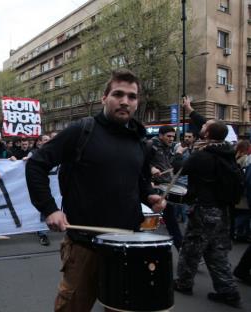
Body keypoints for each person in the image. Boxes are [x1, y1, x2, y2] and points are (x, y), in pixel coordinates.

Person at [26, 69, 165, 312]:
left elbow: (139, 180)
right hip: (84, 246)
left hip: (127, 245)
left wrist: (149, 195)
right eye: (118, 94)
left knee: (122, 308)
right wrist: (49, 209)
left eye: (132, 96)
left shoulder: (140, 140)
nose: (125, 101)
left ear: (137, 102)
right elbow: (37, 164)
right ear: (104, 98)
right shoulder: (82, 130)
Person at [172, 97, 242, 308]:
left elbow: (179, 169)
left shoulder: (202, 156)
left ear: (207, 134)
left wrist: (178, 154)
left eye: (204, 126)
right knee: (216, 252)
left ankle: (183, 283)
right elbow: (214, 127)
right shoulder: (227, 150)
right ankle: (228, 291)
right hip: (222, 211)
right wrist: (190, 110)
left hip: (204, 210)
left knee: (191, 248)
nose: (201, 126)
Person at [149, 125, 183, 251]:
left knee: (171, 220)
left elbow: (170, 165)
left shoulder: (169, 148)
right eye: (168, 136)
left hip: (164, 188)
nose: (171, 139)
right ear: (160, 135)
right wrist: (151, 169)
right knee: (145, 219)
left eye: (173, 137)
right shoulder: (150, 145)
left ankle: (181, 247)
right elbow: (139, 161)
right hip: (151, 188)